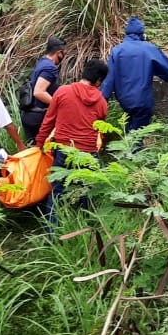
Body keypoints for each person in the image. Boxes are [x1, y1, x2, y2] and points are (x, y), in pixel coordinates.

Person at [36, 59, 108, 228]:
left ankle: (51, 234)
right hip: (88, 154)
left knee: (57, 192)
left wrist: (40, 143)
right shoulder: (102, 102)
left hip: (63, 150)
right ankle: (88, 230)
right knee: (87, 191)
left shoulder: (62, 92)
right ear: (99, 81)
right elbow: (100, 129)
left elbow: (49, 121)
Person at [100, 16, 168, 132]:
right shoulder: (149, 49)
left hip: (124, 100)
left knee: (131, 127)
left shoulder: (117, 50)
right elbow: (167, 69)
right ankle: (131, 148)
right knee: (136, 133)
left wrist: (102, 99)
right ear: (141, 33)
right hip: (142, 99)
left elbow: (109, 79)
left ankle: (128, 145)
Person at [20, 37, 66, 145]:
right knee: (44, 151)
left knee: (32, 151)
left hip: (29, 114)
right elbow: (39, 92)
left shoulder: (41, 62)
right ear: (59, 53)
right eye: (64, 53)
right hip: (39, 117)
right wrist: (58, 104)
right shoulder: (50, 68)